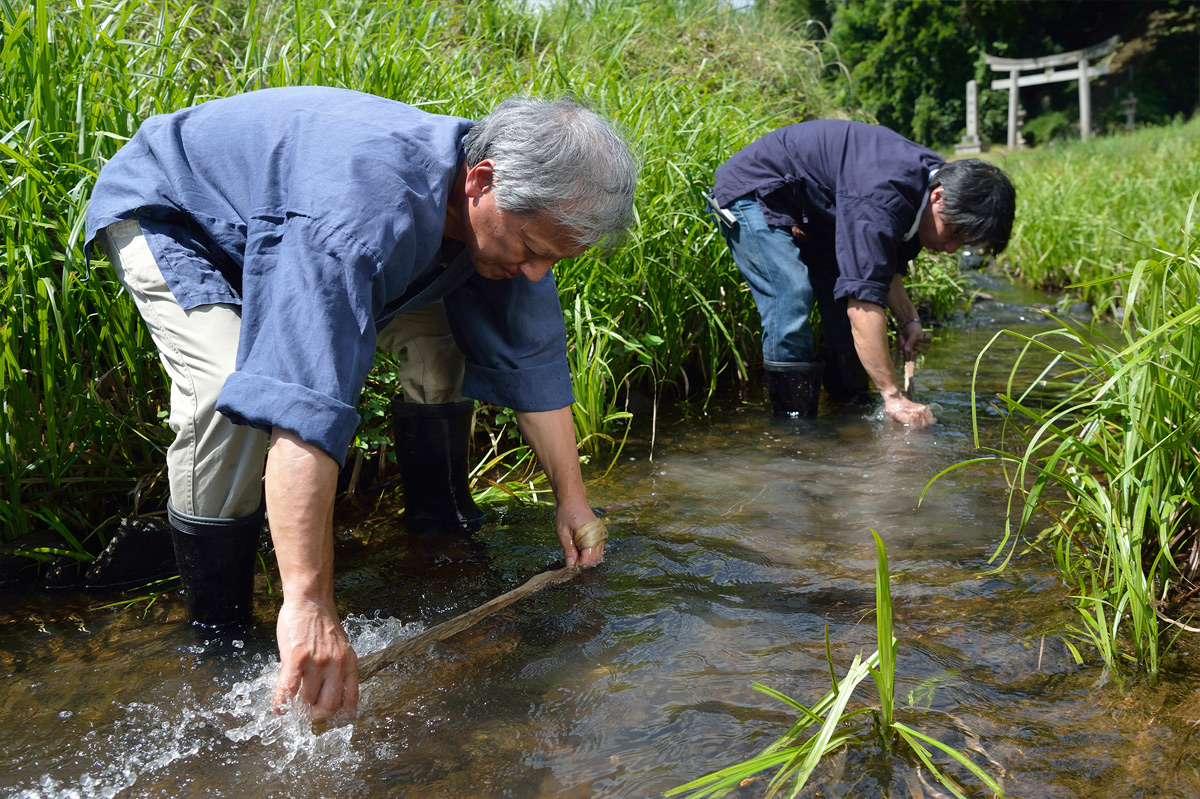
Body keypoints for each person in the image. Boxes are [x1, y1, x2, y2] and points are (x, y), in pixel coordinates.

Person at [84, 86, 637, 721]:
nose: (539, 272)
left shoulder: (514, 212)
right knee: (226, 390)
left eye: (556, 259)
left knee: (440, 352)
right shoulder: (355, 214)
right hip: (181, 212)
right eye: (534, 252)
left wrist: (572, 498)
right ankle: (219, 628)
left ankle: (441, 536)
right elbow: (306, 405)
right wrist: (312, 604)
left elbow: (532, 362)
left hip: (296, 220)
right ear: (480, 182)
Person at [708, 119, 1015, 426]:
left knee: (840, 314)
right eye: (953, 235)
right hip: (754, 191)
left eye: (963, 243)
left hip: (814, 207)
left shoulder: (931, 185)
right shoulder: (882, 196)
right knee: (791, 294)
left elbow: (884, 270)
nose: (950, 249)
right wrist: (893, 396)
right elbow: (863, 302)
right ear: (939, 197)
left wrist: (909, 320)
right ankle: (793, 427)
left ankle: (849, 408)